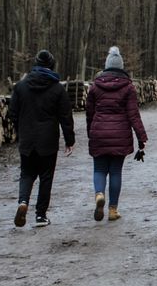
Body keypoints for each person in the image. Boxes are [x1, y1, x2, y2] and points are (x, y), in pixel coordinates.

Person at [8, 49, 75, 228]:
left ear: (35, 64)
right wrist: (70, 140)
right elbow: (65, 116)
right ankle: (40, 215)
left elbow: (12, 113)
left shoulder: (20, 87)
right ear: (52, 66)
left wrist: (19, 132)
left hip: (27, 138)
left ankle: (23, 202)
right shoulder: (57, 89)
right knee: (46, 177)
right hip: (48, 140)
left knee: (27, 173)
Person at [86, 46, 148, 222]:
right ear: (121, 67)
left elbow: (89, 113)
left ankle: (99, 195)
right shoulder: (128, 88)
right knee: (115, 172)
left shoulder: (95, 87)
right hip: (120, 135)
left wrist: (91, 131)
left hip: (98, 133)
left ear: (106, 66)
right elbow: (133, 115)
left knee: (99, 169)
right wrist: (141, 138)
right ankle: (113, 210)